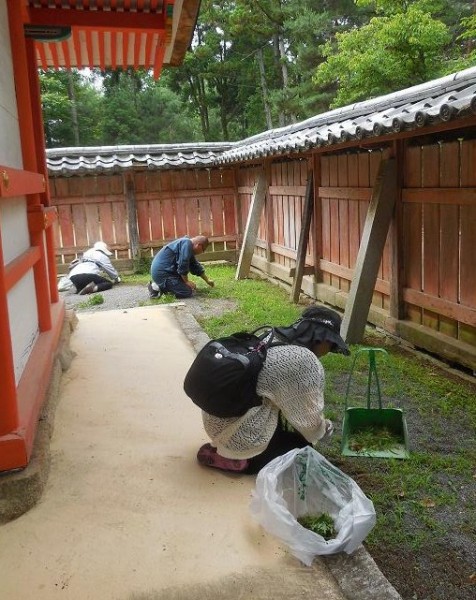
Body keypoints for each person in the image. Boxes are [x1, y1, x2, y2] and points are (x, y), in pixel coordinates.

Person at [196, 305, 350, 474]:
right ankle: (241, 460)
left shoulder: (272, 336)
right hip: (236, 432)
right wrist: (325, 428)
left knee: (286, 433)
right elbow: (309, 423)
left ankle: (226, 450)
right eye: (332, 345)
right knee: (302, 451)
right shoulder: (304, 360)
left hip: (216, 421)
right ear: (323, 339)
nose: (329, 351)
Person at [148, 235, 215, 299]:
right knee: (187, 291)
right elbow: (183, 263)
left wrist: (207, 280)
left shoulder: (187, 245)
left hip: (167, 273)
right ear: (199, 246)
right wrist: (186, 282)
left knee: (189, 288)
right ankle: (157, 288)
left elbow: (195, 266)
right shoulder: (186, 243)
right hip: (163, 274)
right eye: (203, 250)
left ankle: (161, 287)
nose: (202, 252)